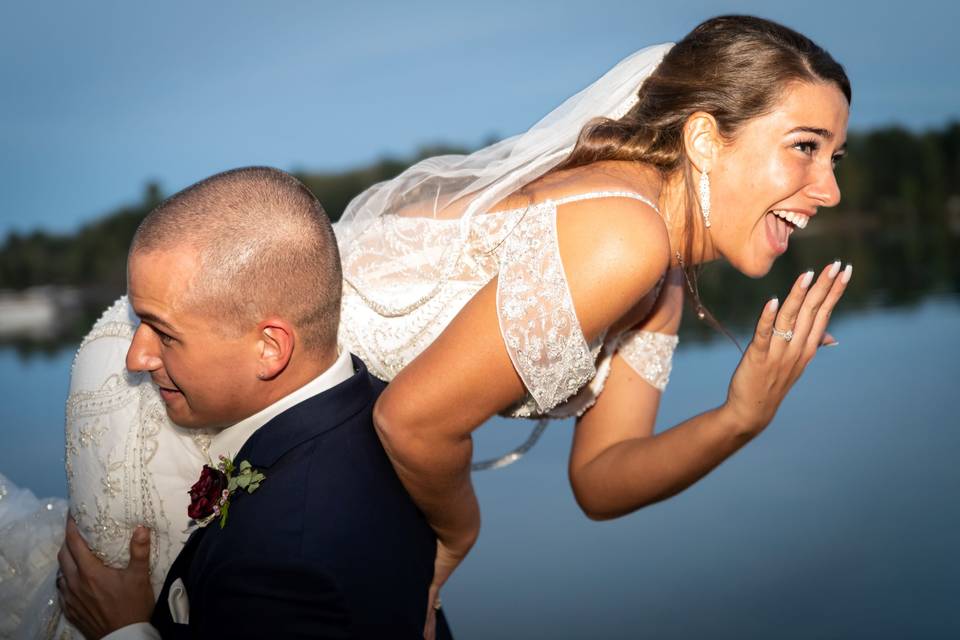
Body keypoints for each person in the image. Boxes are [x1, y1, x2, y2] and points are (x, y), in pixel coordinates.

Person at [0, 14, 850, 638]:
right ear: (705, 138)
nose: (830, 189)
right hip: (201, 376)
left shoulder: (656, 276)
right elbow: (410, 420)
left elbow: (603, 480)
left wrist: (741, 416)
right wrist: (458, 530)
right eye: (804, 147)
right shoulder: (622, 235)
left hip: (302, 441)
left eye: (835, 157)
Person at [54, 167, 453, 638]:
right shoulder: (374, 403)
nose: (136, 356)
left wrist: (124, 629)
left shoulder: (284, 560)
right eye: (138, 322)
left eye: (163, 333)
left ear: (269, 348)